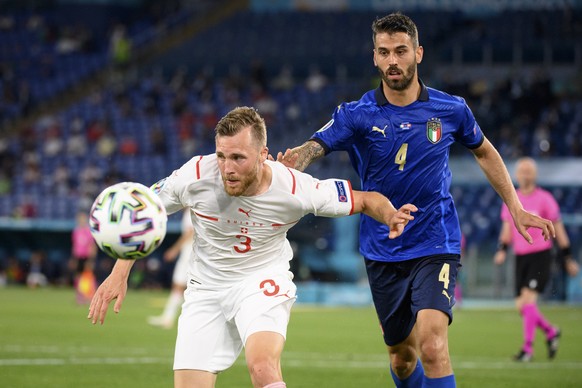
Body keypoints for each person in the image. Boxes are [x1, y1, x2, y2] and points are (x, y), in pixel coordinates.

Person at [272, 13, 555, 388]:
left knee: (433, 345)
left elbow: (485, 152)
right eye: (384, 52)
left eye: (401, 51)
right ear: (374, 57)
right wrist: (295, 160)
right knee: (402, 359)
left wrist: (515, 207)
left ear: (418, 53)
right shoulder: (356, 114)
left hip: (434, 239)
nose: (393, 60)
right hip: (382, 248)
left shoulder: (450, 110)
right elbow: (313, 147)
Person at [88, 106, 418, 388]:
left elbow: (364, 199)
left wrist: (389, 214)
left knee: (262, 368)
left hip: (261, 282)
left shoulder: (294, 188)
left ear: (263, 155)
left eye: (238, 158)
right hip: (206, 289)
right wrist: (120, 272)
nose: (227, 168)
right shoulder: (194, 175)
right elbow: (142, 213)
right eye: (221, 156)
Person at [494, 157, 579, 362]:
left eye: (529, 171)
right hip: (520, 257)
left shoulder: (545, 199)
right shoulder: (511, 200)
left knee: (529, 300)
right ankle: (551, 331)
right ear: (516, 175)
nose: (525, 174)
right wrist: (502, 249)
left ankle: (527, 350)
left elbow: (558, 228)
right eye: (522, 170)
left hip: (540, 255)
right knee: (521, 306)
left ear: (535, 174)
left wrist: (568, 258)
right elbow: (507, 228)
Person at [148, 209, 194, 329]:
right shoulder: (189, 211)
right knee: (179, 286)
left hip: (190, 253)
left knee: (180, 285)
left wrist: (175, 249)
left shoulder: (191, 211)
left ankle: (170, 318)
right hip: (190, 252)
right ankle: (168, 317)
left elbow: (190, 232)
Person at [71, 211, 97, 303]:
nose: (81, 221)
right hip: (78, 256)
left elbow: (92, 245)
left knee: (88, 276)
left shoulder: (88, 231)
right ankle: (79, 296)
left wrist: (91, 259)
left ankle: (90, 295)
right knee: (78, 277)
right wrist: (73, 259)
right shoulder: (76, 231)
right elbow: (75, 245)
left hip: (87, 256)